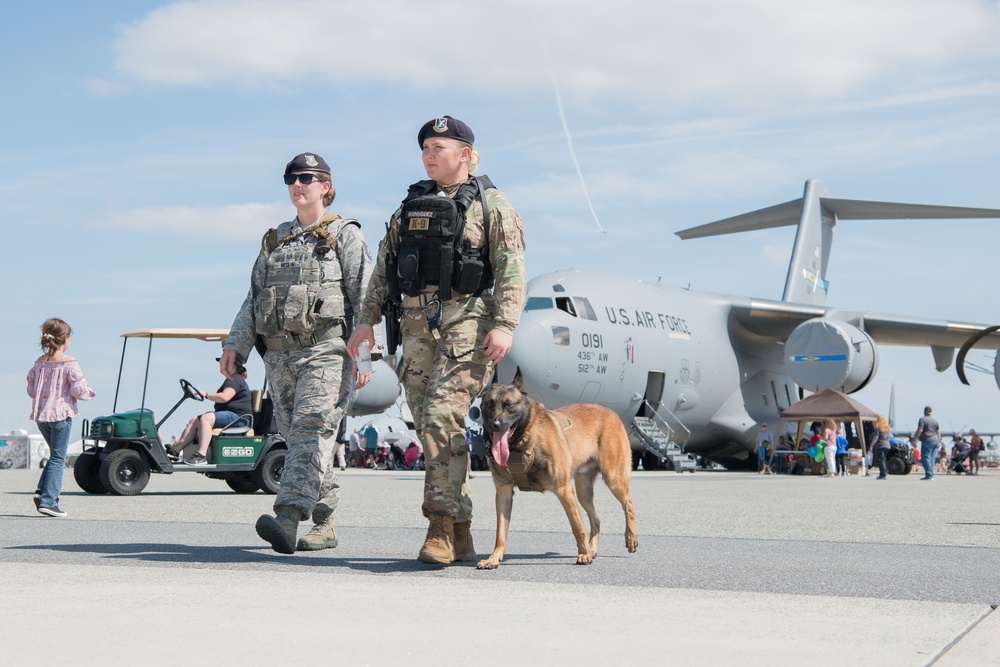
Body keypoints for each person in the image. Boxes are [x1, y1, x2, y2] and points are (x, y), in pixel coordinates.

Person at [348, 115, 527, 565]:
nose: (428, 154)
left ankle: (440, 529)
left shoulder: (493, 206)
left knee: (438, 419)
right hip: (414, 329)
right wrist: (366, 321)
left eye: (438, 148)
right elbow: (384, 269)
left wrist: (505, 324)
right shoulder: (409, 207)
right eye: (425, 147)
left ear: (465, 155)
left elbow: (511, 268)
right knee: (436, 428)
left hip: (468, 328)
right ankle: (463, 531)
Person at [219, 151, 372, 554]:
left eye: (307, 177)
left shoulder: (345, 235)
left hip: (326, 350)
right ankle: (325, 522)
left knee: (309, 429)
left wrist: (366, 357)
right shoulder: (274, 240)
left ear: (326, 186)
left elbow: (366, 299)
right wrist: (236, 346)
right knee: (301, 439)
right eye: (291, 178)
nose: (298, 184)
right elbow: (253, 300)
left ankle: (287, 517)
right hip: (279, 357)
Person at [26, 318, 96, 517]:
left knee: (55, 454)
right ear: (64, 339)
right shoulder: (69, 363)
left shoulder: (39, 364)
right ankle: (49, 502)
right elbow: (79, 390)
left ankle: (41, 493)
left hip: (42, 417)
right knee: (59, 457)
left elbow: (31, 390)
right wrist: (90, 393)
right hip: (60, 416)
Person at [167, 359, 252, 465]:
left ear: (232, 365)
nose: (221, 365)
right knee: (194, 420)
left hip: (239, 418)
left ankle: (201, 456)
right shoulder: (233, 379)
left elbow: (225, 397)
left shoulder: (234, 379)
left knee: (206, 418)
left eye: (224, 363)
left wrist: (206, 395)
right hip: (230, 415)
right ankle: (175, 451)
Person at [913, 406, 941, 481]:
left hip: (927, 440)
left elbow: (920, 430)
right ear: (931, 412)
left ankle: (929, 475)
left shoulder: (922, 420)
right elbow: (938, 431)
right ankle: (930, 474)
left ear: (924, 412)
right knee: (931, 458)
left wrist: (914, 439)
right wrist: (939, 441)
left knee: (925, 457)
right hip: (935, 440)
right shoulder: (935, 420)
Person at [868, 414, 891, 480]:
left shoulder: (878, 427)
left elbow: (876, 437)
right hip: (887, 445)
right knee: (883, 459)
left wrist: (871, 445)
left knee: (880, 460)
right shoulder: (887, 428)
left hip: (880, 445)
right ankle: (883, 472)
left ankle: (883, 474)